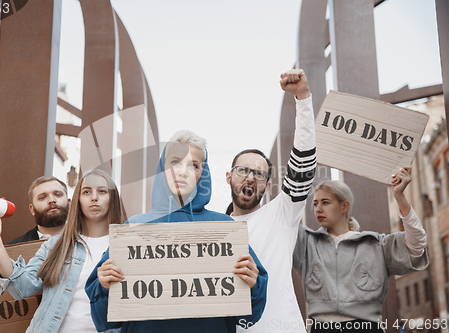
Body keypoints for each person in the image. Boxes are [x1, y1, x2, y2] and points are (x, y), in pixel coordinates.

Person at [85, 130, 268, 333]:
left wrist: (253, 285)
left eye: (194, 165)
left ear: (202, 174)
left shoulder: (224, 227)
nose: (182, 171)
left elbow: (249, 316)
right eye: (175, 162)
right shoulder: (133, 229)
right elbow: (104, 321)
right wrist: (103, 286)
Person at [0, 169, 124, 333]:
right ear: (77, 201)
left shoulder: (127, 247)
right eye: (86, 192)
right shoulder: (56, 245)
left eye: (102, 191)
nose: (94, 197)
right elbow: (21, 287)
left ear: (113, 199)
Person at [227, 69, 316, 332]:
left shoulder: (282, 214)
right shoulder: (214, 229)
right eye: (243, 171)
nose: (250, 178)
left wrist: (303, 97)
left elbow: (303, 163)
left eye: (259, 174)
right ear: (228, 177)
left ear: (268, 185)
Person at [293, 168, 428, 332]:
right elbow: (281, 220)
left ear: (344, 206)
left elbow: (416, 245)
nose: (318, 208)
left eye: (325, 202)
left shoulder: (375, 244)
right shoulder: (306, 243)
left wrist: (400, 196)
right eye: (315, 203)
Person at [0, 175, 69, 326]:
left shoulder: (87, 245)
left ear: (69, 202)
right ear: (32, 209)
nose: (51, 200)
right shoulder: (7, 252)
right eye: (42, 197)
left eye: (58, 194)